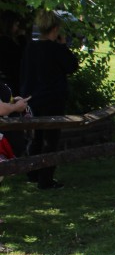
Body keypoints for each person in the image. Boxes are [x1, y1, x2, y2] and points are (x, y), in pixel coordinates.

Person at [20, 11, 80, 190]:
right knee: (50, 139)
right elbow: (72, 66)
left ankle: (33, 172)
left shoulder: (31, 48)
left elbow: (25, 73)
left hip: (34, 98)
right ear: (55, 29)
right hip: (52, 99)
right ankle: (45, 179)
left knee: (36, 137)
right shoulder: (55, 49)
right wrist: (63, 46)